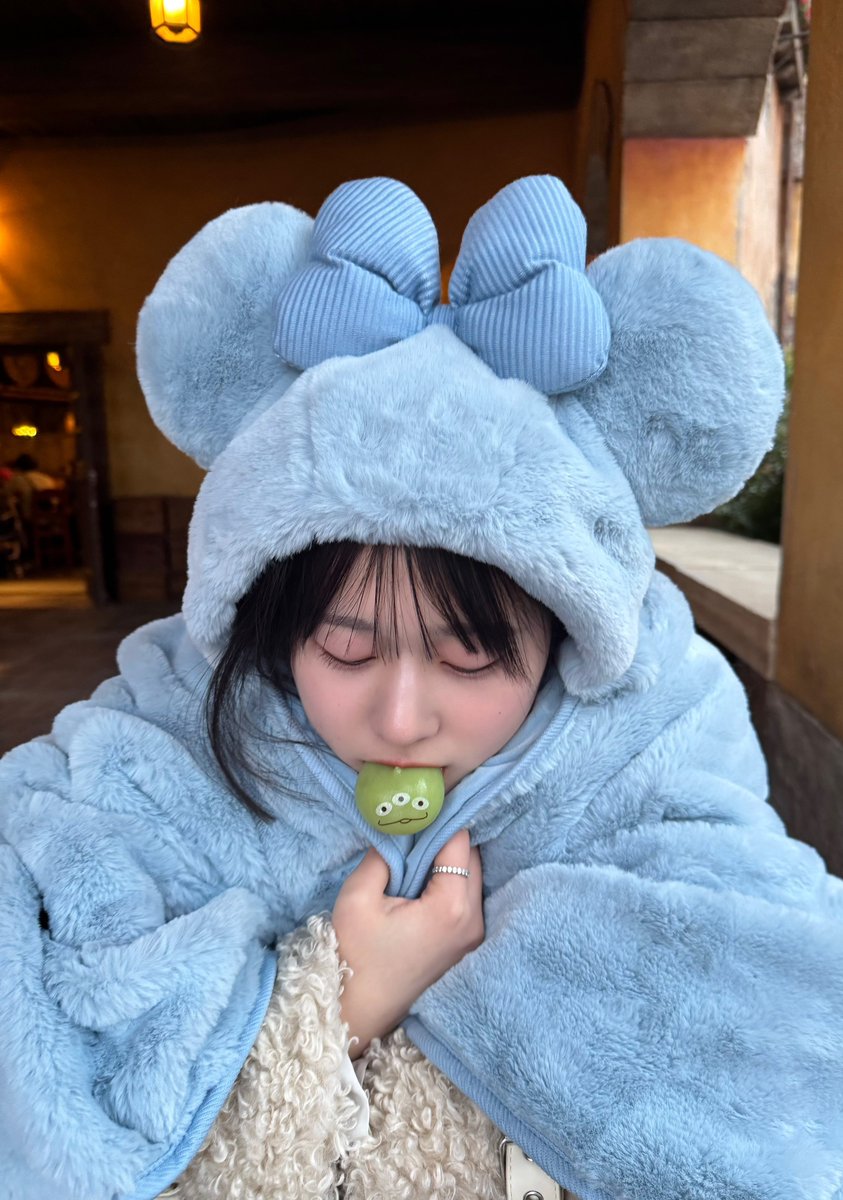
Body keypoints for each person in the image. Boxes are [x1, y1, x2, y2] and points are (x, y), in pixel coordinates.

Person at [2, 175, 843, 1200]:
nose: (399, 719)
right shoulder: (153, 749)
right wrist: (347, 997)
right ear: (269, 626)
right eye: (344, 650)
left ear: (565, 631)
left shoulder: (658, 748)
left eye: (471, 658)